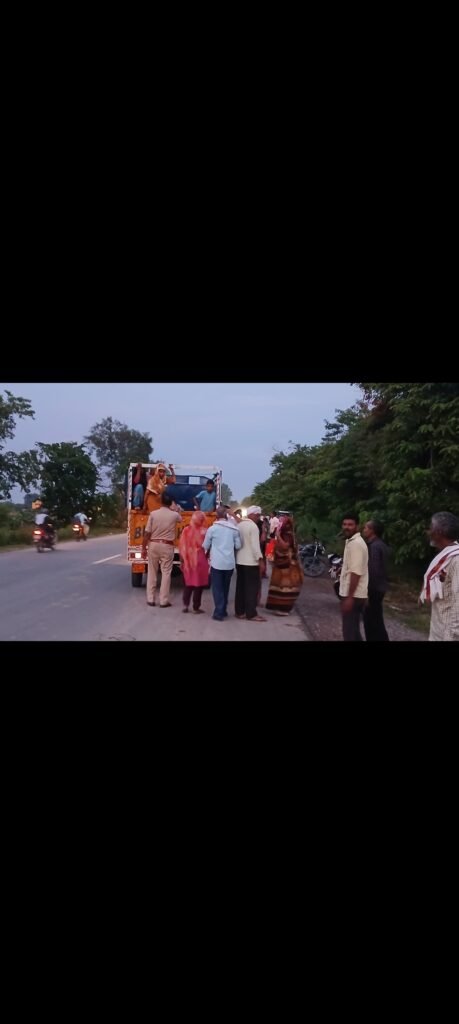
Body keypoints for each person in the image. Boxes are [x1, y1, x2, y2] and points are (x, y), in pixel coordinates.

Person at [419, 511, 459, 641]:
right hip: (438, 630)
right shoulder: (446, 556)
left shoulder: (456, 560)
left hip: (448, 635)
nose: (428, 531)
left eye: (431, 527)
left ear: (439, 532)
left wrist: (452, 637)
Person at [141, 493, 182, 607]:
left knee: (152, 572)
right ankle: (163, 600)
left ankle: (150, 599)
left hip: (153, 544)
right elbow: (180, 518)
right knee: (166, 573)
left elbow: (147, 533)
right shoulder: (174, 515)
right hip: (167, 546)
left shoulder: (153, 514)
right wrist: (176, 508)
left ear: (161, 502)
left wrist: (144, 548)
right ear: (170, 503)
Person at [202, 507, 241, 621]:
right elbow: (238, 546)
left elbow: (205, 545)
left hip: (217, 563)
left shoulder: (212, 529)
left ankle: (219, 612)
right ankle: (223, 610)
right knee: (225, 587)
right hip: (229, 563)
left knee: (217, 588)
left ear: (216, 516)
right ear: (226, 516)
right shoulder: (234, 529)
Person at [339, 513, 369, 641]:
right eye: (344, 524)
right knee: (353, 631)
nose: (347, 527)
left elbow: (356, 573)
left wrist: (350, 597)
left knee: (349, 633)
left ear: (357, 526)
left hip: (354, 595)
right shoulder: (351, 541)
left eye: (350, 525)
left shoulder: (356, 544)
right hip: (355, 594)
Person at [265, 515, 303, 615]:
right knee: (280, 586)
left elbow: (285, 546)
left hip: (287, 566)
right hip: (283, 565)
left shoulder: (288, 535)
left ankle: (283, 609)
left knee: (285, 587)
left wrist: (278, 535)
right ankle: (281, 607)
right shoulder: (287, 534)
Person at [235, 506, 266, 622]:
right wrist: (260, 560)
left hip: (240, 561)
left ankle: (239, 612)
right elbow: (255, 546)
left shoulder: (240, 525)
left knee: (240, 587)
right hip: (250, 562)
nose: (258, 518)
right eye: (258, 515)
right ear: (253, 515)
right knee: (252, 588)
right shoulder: (253, 527)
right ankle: (251, 614)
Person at [362, 520, 390, 641]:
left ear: (372, 531)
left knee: (371, 622)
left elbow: (373, 570)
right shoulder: (382, 545)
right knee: (376, 619)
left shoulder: (374, 547)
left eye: (366, 528)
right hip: (380, 587)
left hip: (373, 588)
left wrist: (367, 592)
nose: (364, 530)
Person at [179, 511, 209, 614]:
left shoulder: (186, 530)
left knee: (188, 583)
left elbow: (181, 546)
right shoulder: (204, 531)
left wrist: (182, 560)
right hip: (200, 559)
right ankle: (196, 607)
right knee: (199, 585)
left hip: (188, 560)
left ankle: (185, 605)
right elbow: (207, 546)